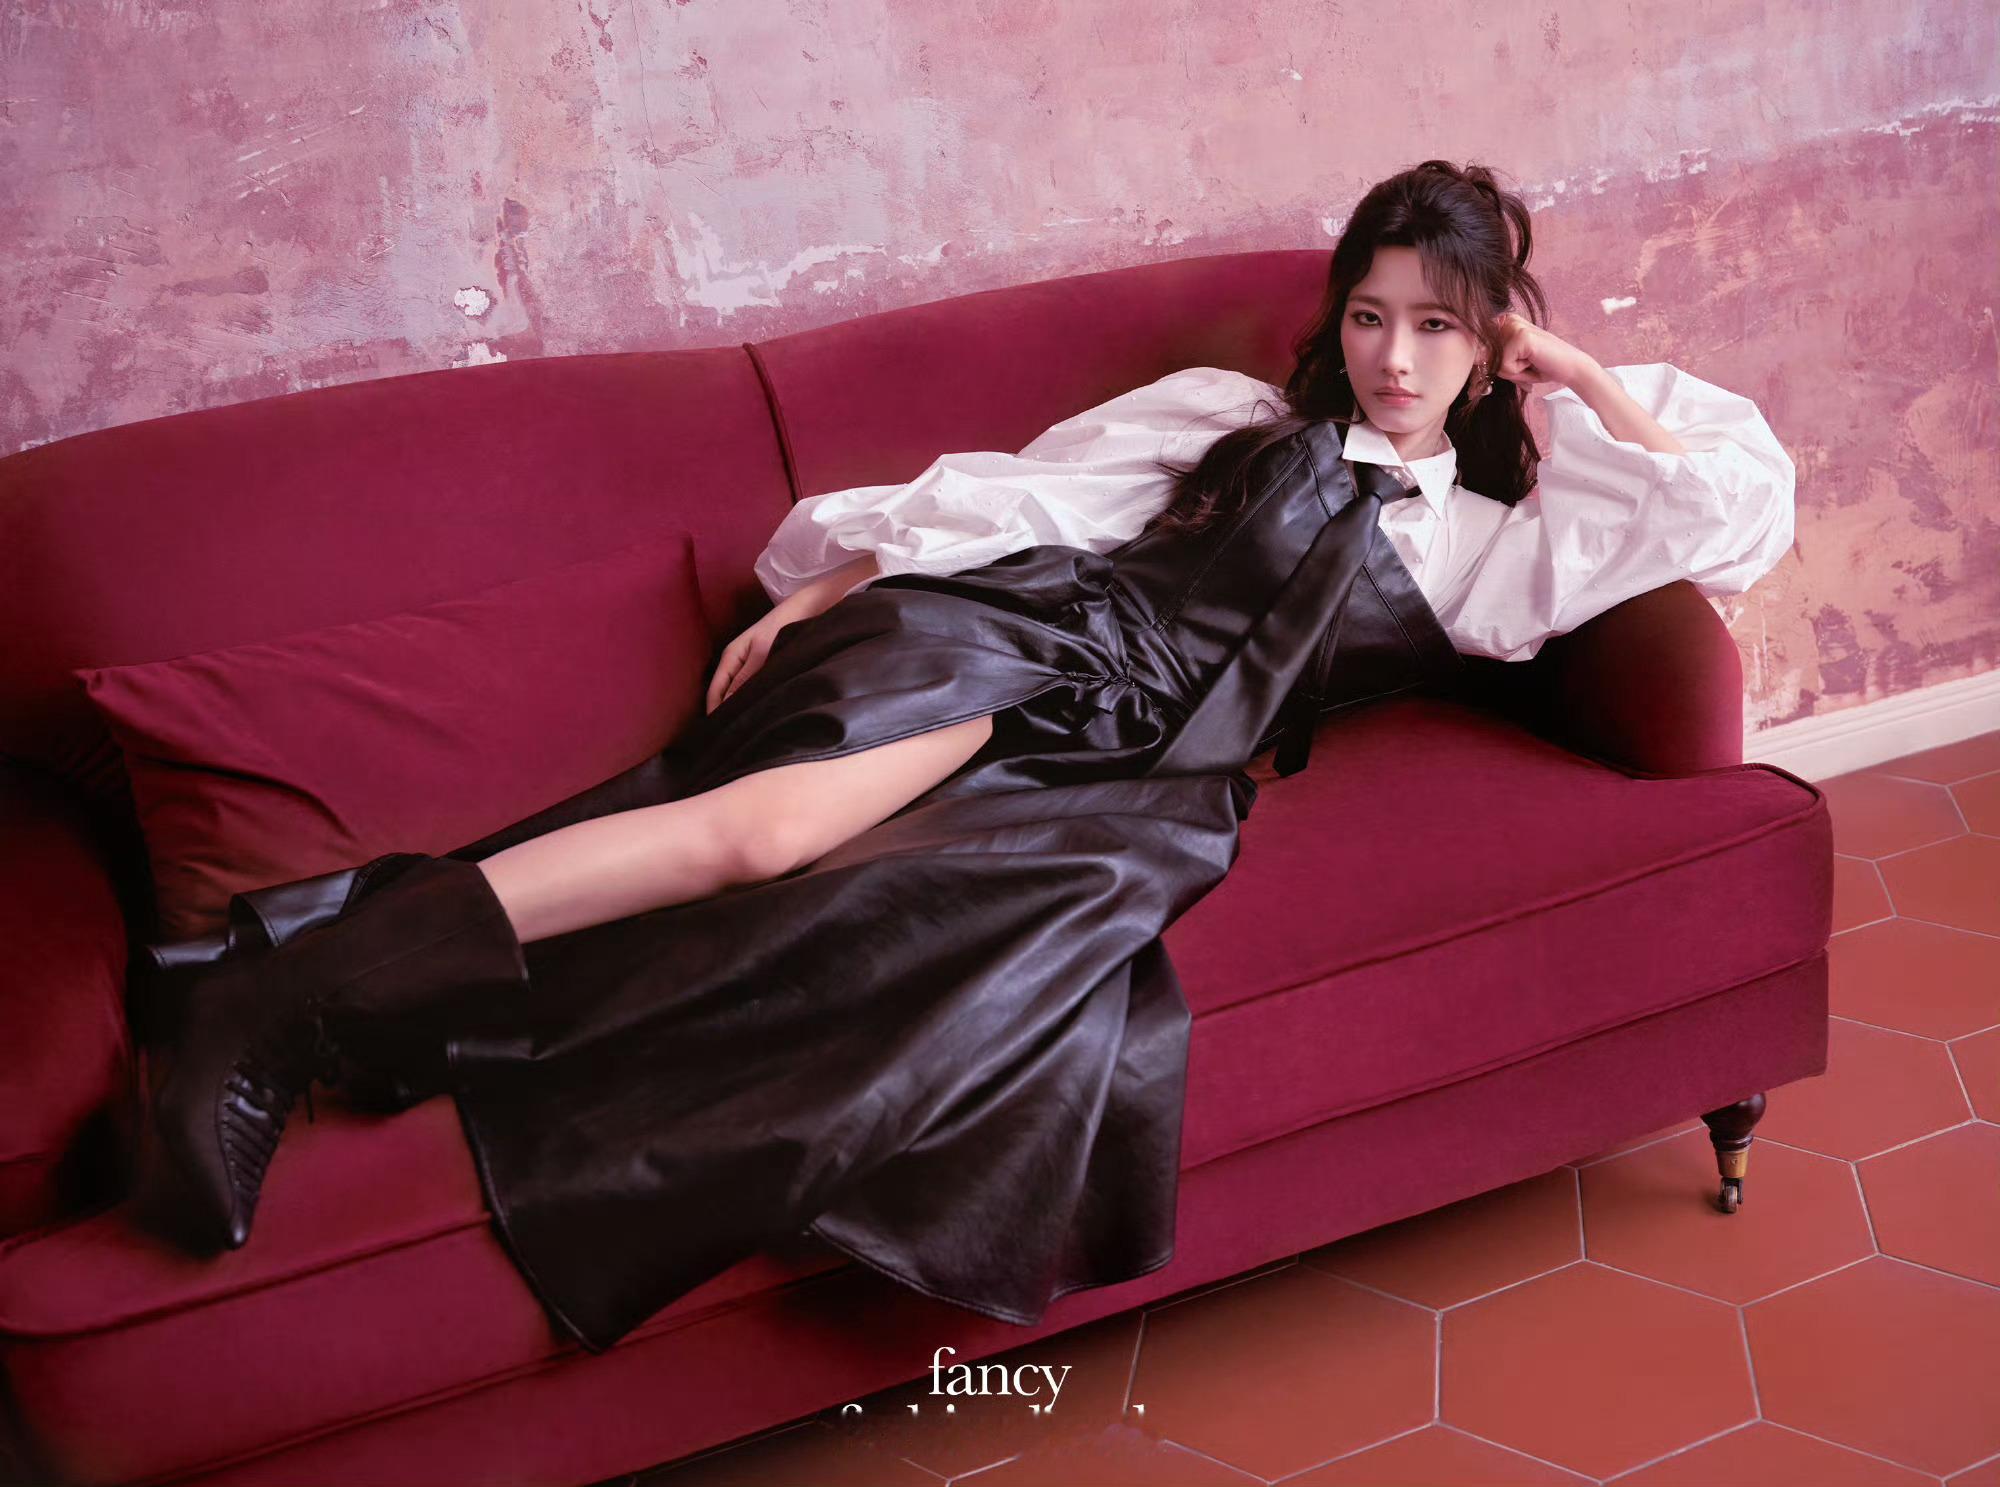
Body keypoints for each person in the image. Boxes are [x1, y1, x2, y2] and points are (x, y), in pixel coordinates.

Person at [130, 159, 1795, 1356]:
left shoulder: (1495, 557)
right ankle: (275, 1007)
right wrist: (833, 587)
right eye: (1370, 316)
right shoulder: (1233, 417)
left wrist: (1578, 374)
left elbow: (1717, 512)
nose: (1396, 359)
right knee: (757, 841)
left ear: (1490, 344)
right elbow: (1030, 497)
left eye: (1438, 328)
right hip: (1028, 641)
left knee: (892, 934)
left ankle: (298, 965)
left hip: (1141, 781)